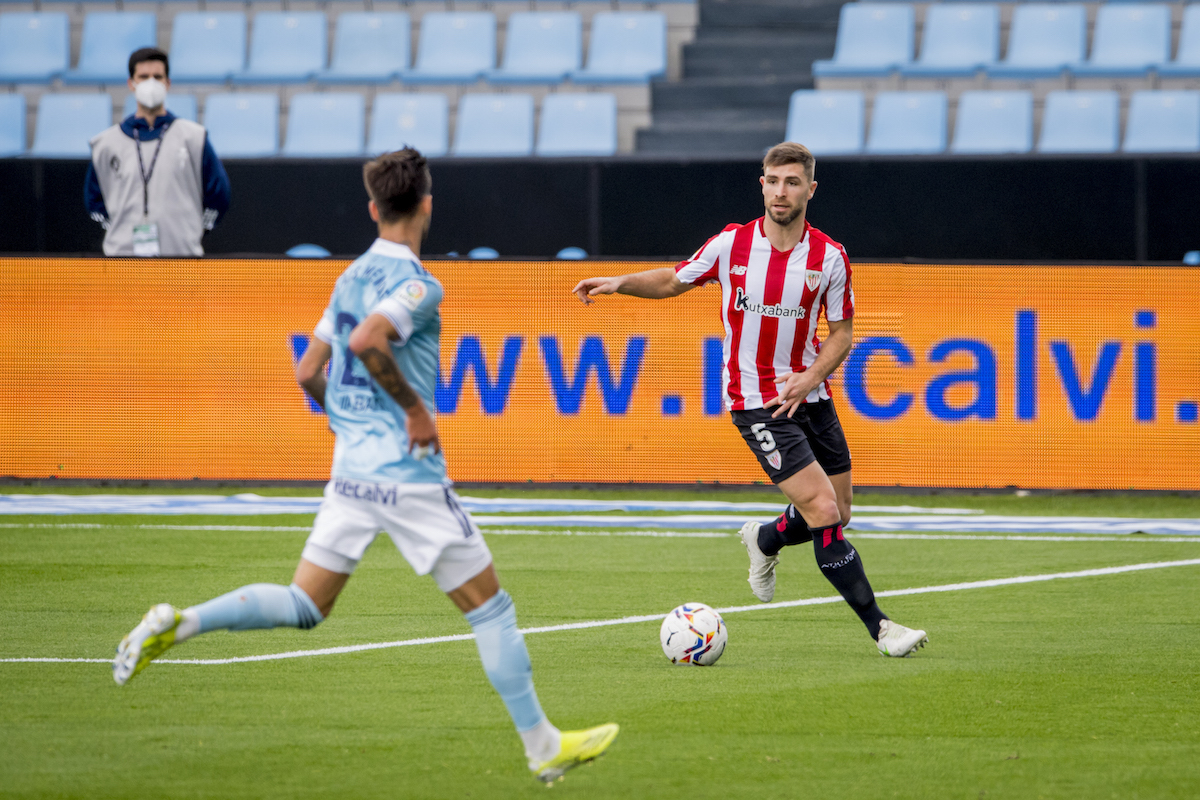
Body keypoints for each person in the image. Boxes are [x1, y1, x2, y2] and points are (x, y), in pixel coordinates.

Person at [112, 148, 618, 782]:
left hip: (351, 471)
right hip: (407, 474)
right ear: (427, 205)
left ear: (374, 208)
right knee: (491, 610)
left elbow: (308, 370)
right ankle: (543, 747)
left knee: (305, 603)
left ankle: (181, 622)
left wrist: (345, 418)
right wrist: (414, 411)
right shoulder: (420, 284)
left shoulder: (349, 277)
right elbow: (367, 339)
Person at [572, 141, 928, 658]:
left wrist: (809, 377)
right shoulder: (731, 245)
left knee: (841, 510)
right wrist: (619, 282)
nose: (781, 191)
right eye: (773, 181)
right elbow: (673, 280)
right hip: (756, 401)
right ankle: (883, 629)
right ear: (762, 185)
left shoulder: (829, 257)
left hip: (811, 396)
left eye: (792, 182)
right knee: (823, 508)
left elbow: (842, 333)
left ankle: (765, 539)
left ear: (810, 189)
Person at [85, 47, 231, 256]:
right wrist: (118, 230)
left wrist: (195, 231)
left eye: (157, 77)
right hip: (123, 259)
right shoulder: (106, 144)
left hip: (181, 258)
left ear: (167, 83)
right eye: (143, 77)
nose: (151, 83)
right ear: (131, 83)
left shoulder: (193, 137)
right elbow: (94, 200)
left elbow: (219, 194)